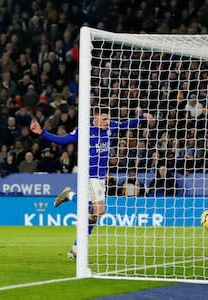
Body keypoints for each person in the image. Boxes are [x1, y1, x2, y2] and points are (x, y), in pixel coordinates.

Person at [30, 106, 152, 260]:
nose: (107, 122)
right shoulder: (85, 129)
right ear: (95, 118)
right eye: (104, 119)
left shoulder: (111, 126)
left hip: (100, 178)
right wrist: (42, 132)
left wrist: (141, 118)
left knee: (92, 216)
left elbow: (126, 124)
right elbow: (64, 140)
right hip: (89, 176)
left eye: (108, 118)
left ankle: (75, 247)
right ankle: (70, 197)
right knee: (99, 210)